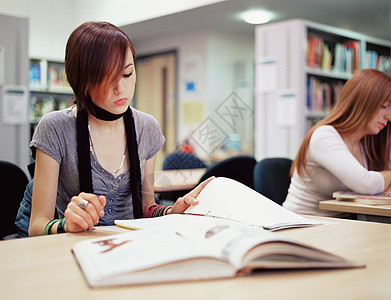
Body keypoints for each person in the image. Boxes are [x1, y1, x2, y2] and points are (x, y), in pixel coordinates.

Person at [27, 21, 213, 236]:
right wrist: (66, 225)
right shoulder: (55, 128)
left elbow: (145, 207)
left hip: (131, 246)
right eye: (107, 78)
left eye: (127, 74)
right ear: (81, 80)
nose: (120, 88)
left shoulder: (146, 127)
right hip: (74, 248)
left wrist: (172, 211)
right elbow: (37, 225)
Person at [282, 69, 391, 217]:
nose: (389, 116)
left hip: (341, 225)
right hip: (301, 226)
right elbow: (367, 184)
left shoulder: (367, 143)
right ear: (361, 102)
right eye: (384, 106)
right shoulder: (324, 136)